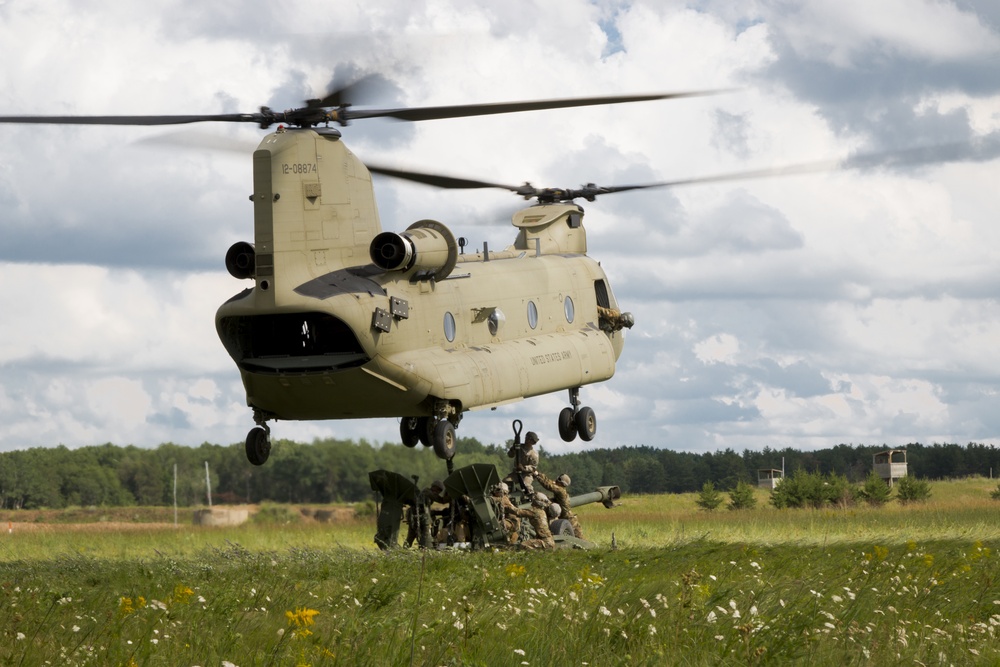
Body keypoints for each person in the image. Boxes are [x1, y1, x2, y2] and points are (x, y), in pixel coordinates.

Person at [535, 471, 584, 539]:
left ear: (561, 483)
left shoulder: (560, 490)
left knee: (579, 537)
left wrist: (537, 475)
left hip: (567, 516)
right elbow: (549, 482)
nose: (555, 480)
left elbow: (548, 485)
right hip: (564, 515)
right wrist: (539, 474)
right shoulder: (561, 490)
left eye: (558, 480)